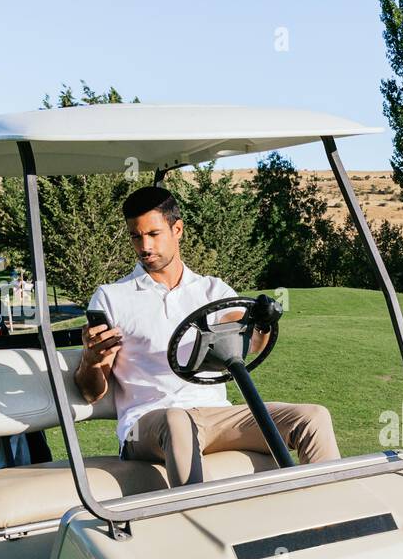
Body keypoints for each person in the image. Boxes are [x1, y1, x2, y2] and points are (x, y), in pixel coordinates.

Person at [74, 186, 340, 486]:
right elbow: (91, 392)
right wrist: (91, 360)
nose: (144, 246)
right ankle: (203, 523)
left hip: (214, 415)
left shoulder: (212, 291)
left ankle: (332, 517)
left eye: (154, 234)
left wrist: (262, 325)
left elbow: (248, 344)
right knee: (177, 420)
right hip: (148, 423)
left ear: (177, 229)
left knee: (313, 417)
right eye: (136, 236)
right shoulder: (111, 297)